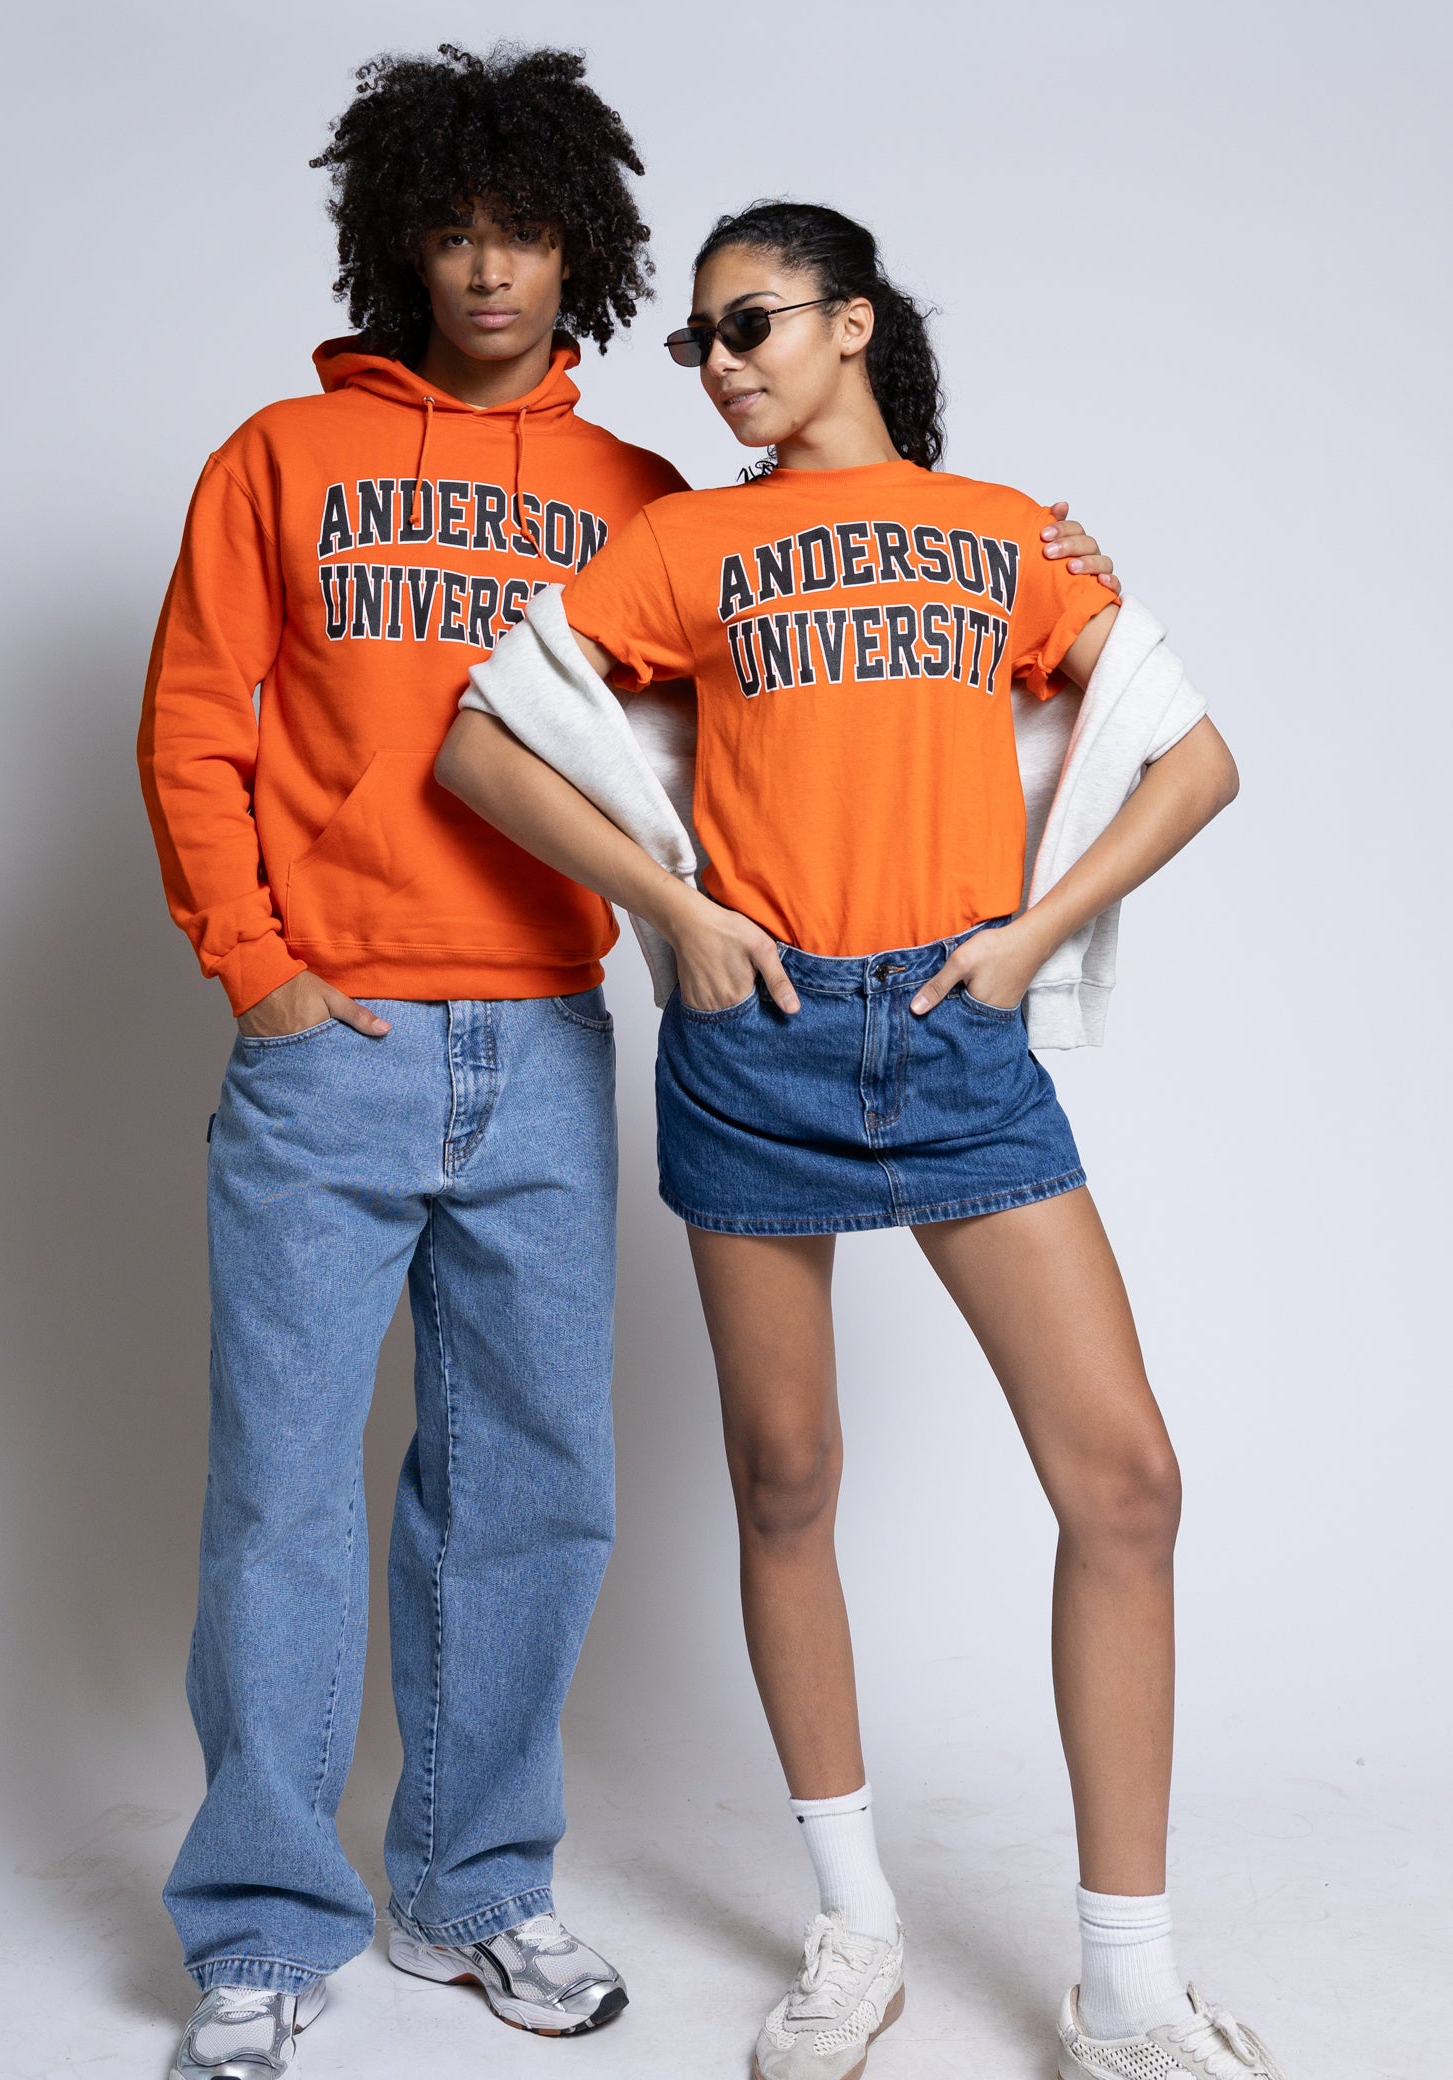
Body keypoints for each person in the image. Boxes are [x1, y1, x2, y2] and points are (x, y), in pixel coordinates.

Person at [435, 201, 1287, 2080]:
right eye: (695, 339)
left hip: (957, 1031)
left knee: (1124, 1483)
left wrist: (1034, 938)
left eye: (752, 322)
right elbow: (487, 745)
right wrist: (678, 916)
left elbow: (1192, 754)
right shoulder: (688, 543)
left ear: (853, 323)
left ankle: (1128, 1980)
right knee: (786, 1477)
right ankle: (855, 1927)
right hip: (764, 1037)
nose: (723, 359)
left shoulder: (1001, 534)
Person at [138, 44, 707, 2080]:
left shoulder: (634, 495)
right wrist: (263, 974)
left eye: (524, 229)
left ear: (580, 246)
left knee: (533, 1484)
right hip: (335, 1038)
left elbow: (738, 732)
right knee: (280, 1489)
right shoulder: (280, 458)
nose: (488, 271)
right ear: (399, 243)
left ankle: (471, 1886)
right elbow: (195, 729)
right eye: (452, 231)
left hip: (550, 1033)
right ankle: (267, 1920)